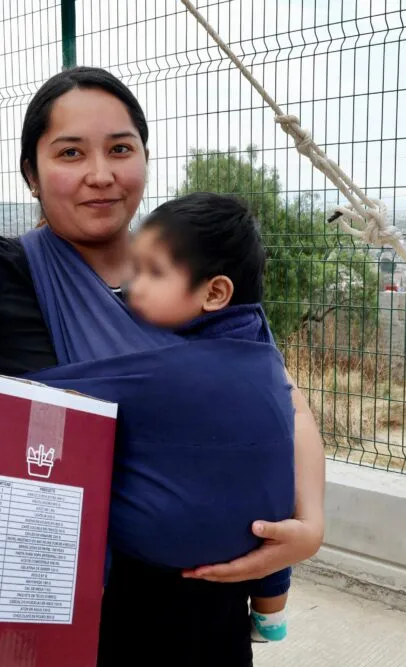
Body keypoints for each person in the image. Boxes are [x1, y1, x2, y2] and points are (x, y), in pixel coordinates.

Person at [0, 67, 325, 667]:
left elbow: (285, 402)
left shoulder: (190, 274)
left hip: (206, 627)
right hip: (47, 634)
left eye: (120, 149)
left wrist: (310, 525)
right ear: (32, 173)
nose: (100, 174)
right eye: (70, 153)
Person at [125, 191, 294, 642]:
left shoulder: (187, 356)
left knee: (262, 521)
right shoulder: (256, 332)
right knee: (271, 517)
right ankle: (271, 616)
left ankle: (271, 610)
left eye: (153, 273)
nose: (133, 287)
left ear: (215, 292)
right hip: (267, 505)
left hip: (209, 526)